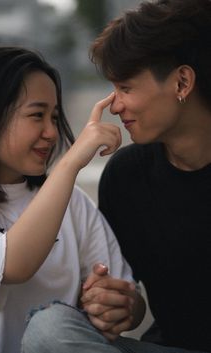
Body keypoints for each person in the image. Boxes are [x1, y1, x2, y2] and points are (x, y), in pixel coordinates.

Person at [0, 46, 145, 353]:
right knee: (47, 327)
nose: (52, 132)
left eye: (54, 116)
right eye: (37, 115)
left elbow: (131, 306)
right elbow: (13, 264)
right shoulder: (63, 185)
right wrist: (72, 161)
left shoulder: (72, 202)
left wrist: (118, 305)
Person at [90, 0, 211, 352]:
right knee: (49, 330)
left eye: (125, 88)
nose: (114, 106)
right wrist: (119, 304)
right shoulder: (127, 175)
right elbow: (129, 292)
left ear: (182, 82)